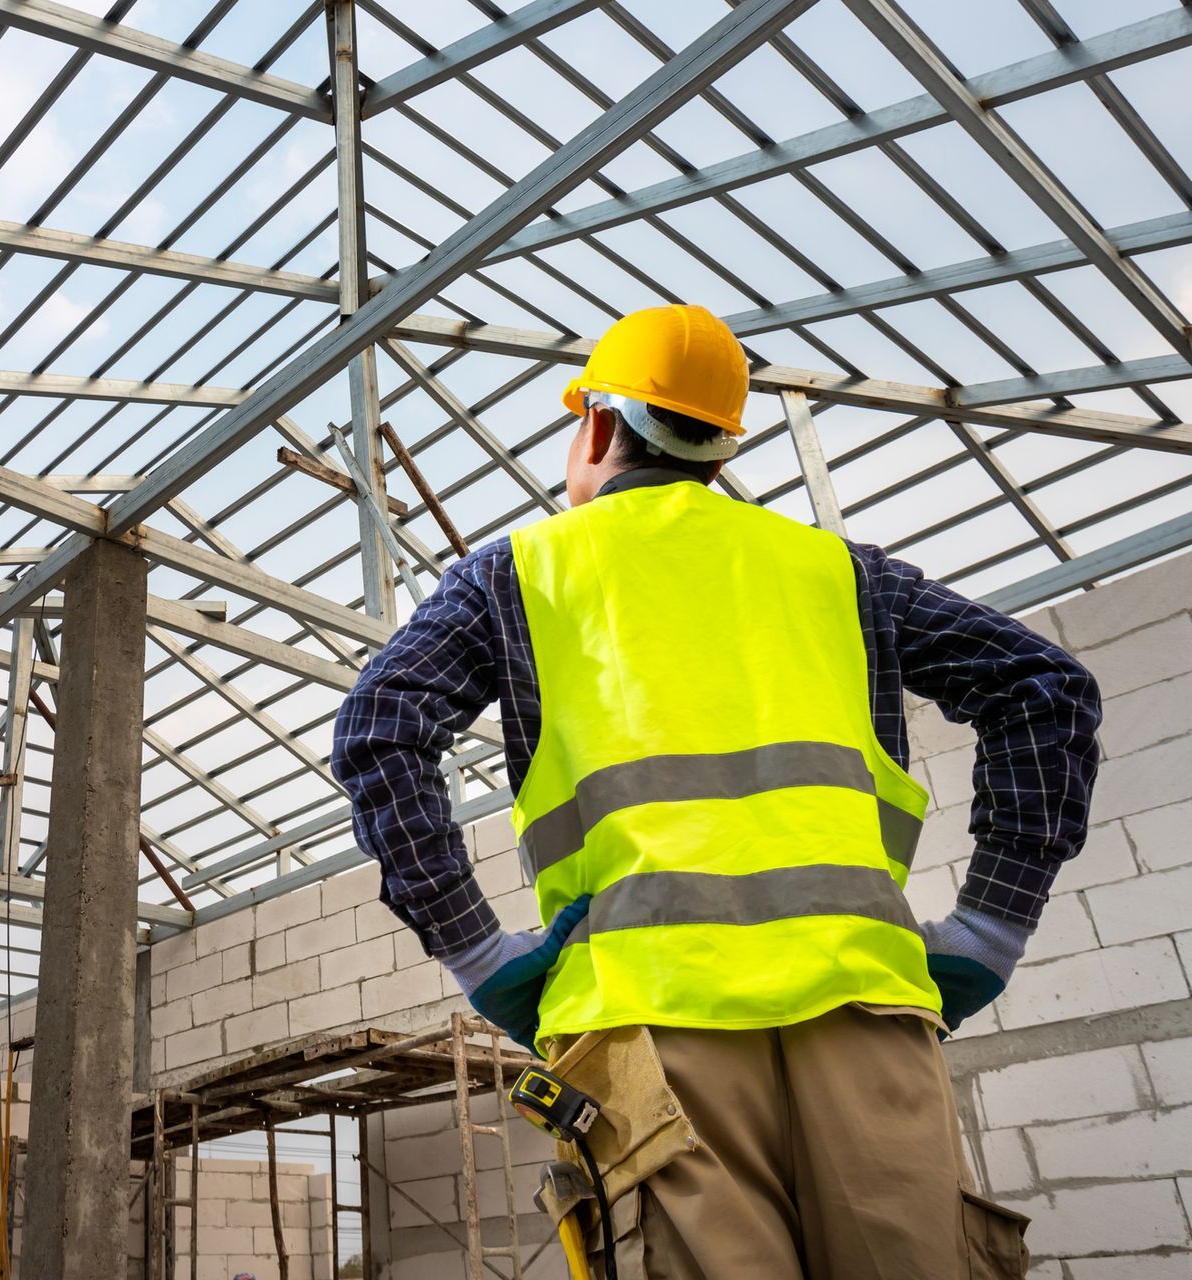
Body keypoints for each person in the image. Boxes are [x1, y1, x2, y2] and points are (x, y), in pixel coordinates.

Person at [332, 305, 1101, 1278]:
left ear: (601, 426)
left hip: (649, 1030)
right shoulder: (841, 574)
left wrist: (475, 945)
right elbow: (1046, 689)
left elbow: (380, 727)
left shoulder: (520, 574)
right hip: (867, 1016)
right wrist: (993, 922)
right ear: (716, 444)